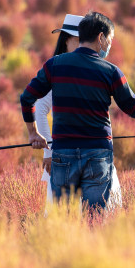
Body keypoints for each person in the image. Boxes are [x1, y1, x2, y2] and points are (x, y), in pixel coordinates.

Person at [20, 10, 135, 211]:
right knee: (94, 218)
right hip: (98, 156)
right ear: (101, 38)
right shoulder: (110, 72)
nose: (109, 45)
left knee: (63, 219)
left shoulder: (54, 65)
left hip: (63, 154)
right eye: (110, 39)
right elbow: (134, 106)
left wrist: (33, 133)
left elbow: (27, 98)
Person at [34, 13, 123, 209]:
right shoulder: (60, 68)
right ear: (68, 41)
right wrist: (48, 150)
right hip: (68, 155)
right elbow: (40, 107)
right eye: (78, 39)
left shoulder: (83, 66)